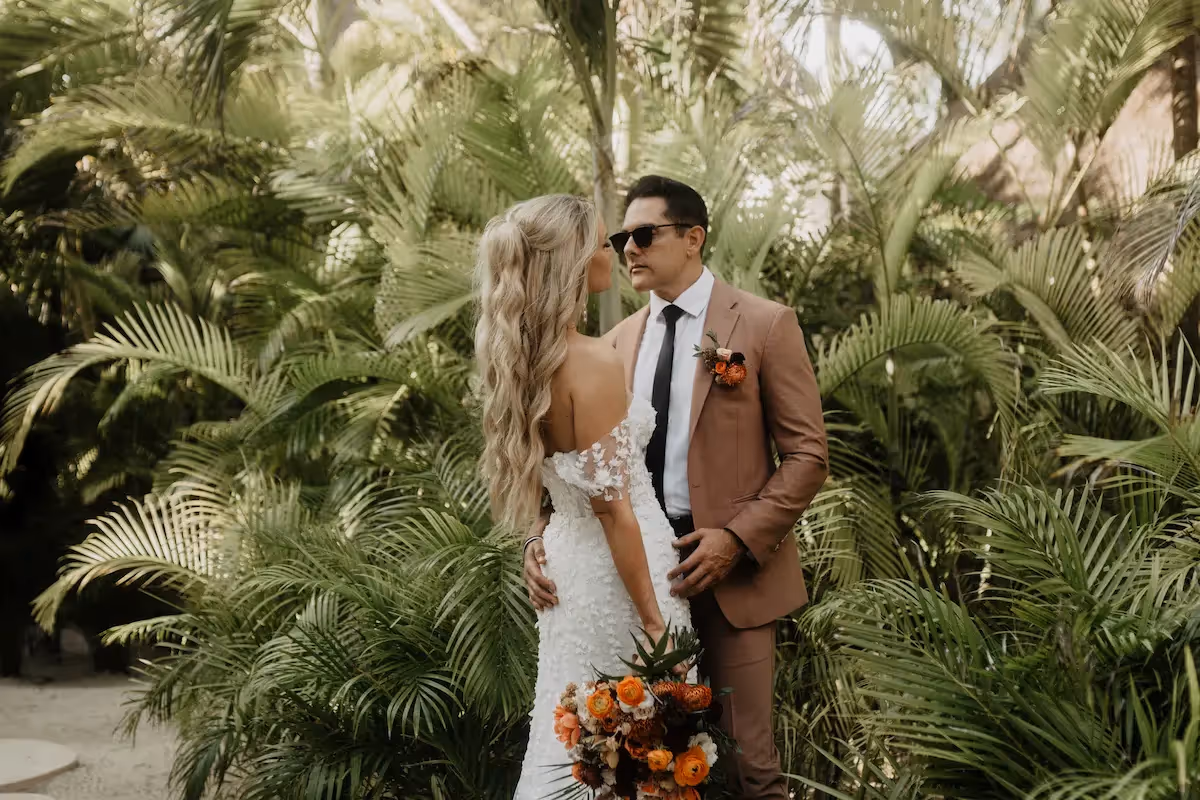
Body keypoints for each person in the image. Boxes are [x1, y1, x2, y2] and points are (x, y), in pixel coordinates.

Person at [523, 176, 828, 798]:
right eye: (620, 237)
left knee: (750, 766)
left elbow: (808, 456)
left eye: (644, 234)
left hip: (733, 579)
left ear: (694, 238)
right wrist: (538, 539)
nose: (629, 248)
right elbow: (569, 466)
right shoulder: (612, 344)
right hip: (628, 578)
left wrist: (737, 541)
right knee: (639, 766)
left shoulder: (766, 325)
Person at [473, 194, 693, 799]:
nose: (616, 249)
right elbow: (612, 507)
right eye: (603, 242)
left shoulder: (520, 361)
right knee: (633, 755)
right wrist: (655, 626)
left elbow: (551, 481)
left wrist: (535, 537)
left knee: (576, 745)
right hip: (625, 577)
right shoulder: (593, 361)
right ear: (572, 261)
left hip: (569, 571)